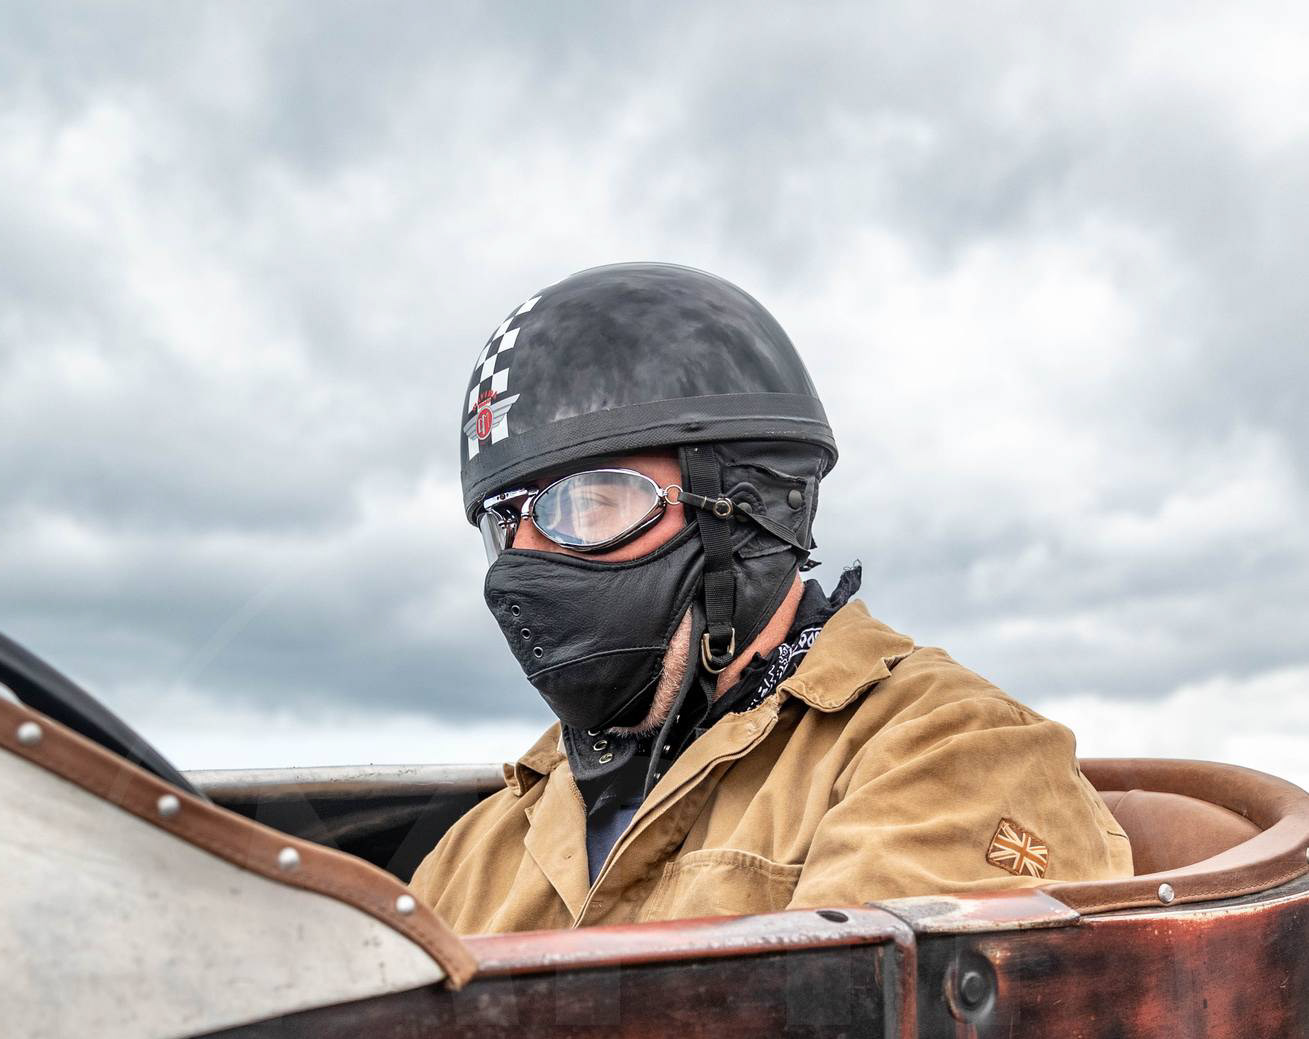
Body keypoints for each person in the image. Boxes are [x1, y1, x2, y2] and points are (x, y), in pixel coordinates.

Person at [412, 263, 1132, 934]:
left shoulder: (952, 757)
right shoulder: (479, 848)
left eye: (587, 504)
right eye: (508, 523)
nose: (526, 564)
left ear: (744, 506)